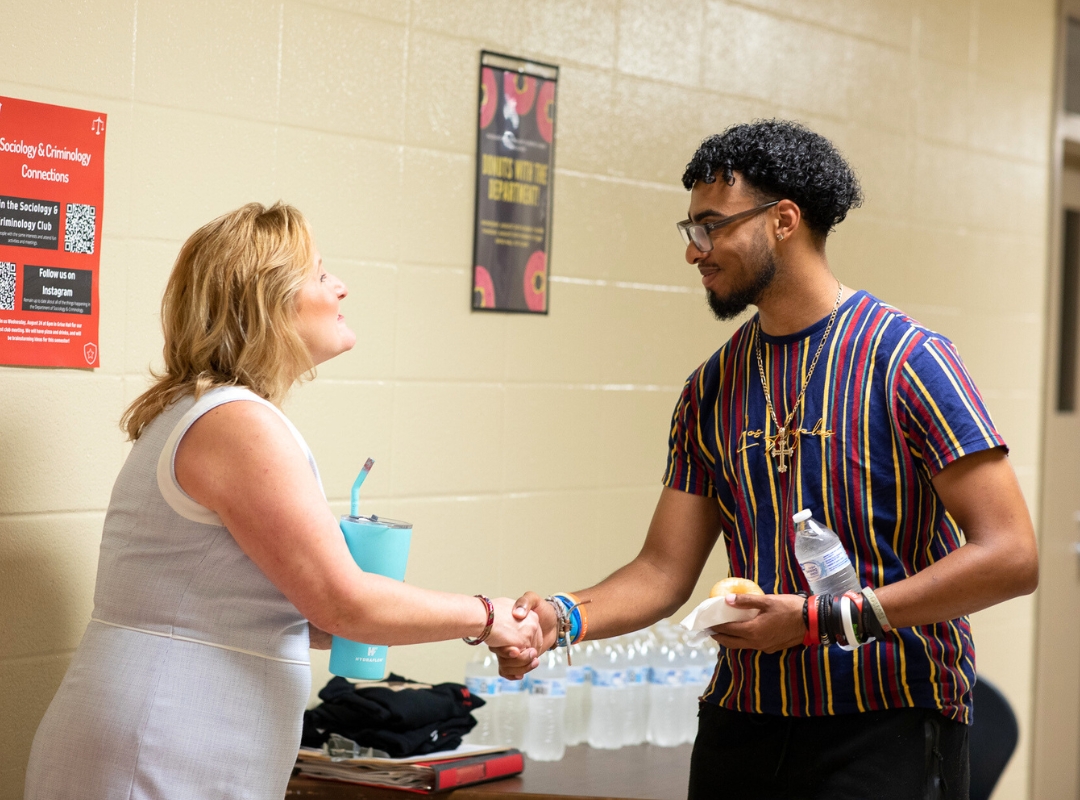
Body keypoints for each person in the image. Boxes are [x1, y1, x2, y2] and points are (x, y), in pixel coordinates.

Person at [495, 120, 1038, 800]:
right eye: (690, 230)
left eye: (712, 226)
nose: (696, 252)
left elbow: (1012, 555)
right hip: (743, 723)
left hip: (890, 719)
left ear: (784, 220)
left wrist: (824, 620)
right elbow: (664, 570)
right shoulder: (710, 388)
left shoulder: (908, 361)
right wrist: (562, 618)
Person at [23, 202, 543, 800]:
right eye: (321, 275)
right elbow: (342, 605)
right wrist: (488, 615)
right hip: (156, 744)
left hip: (173, 739)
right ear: (269, 302)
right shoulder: (236, 423)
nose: (342, 286)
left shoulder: (214, 414)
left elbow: (294, 614)